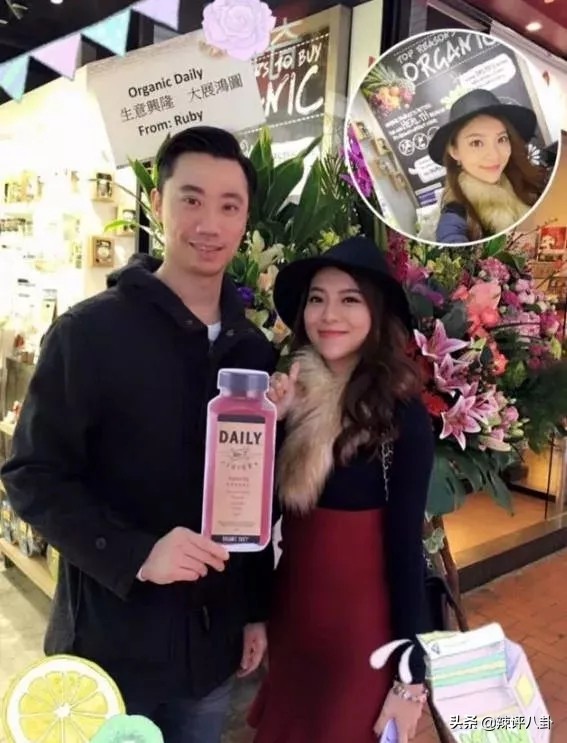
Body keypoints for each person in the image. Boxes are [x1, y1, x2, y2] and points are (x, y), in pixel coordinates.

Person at [0, 126, 278, 743]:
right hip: (111, 648)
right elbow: (31, 477)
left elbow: (253, 497)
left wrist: (254, 611)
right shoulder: (90, 334)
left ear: (245, 220)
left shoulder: (252, 351)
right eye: (191, 199)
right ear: (158, 203)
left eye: (229, 206)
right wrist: (137, 554)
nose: (209, 223)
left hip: (210, 654)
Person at [247, 236, 435, 743]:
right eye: (317, 298)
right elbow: (254, 523)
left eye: (349, 299)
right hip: (294, 619)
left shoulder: (400, 415)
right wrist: (272, 428)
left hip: (363, 635)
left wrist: (410, 678)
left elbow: (406, 551)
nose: (329, 315)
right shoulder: (287, 397)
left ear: (375, 312)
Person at [428, 89, 549, 245]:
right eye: (476, 143)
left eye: (502, 139)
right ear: (455, 151)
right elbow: (451, 243)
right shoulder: (457, 212)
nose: (494, 155)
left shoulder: (520, 179)